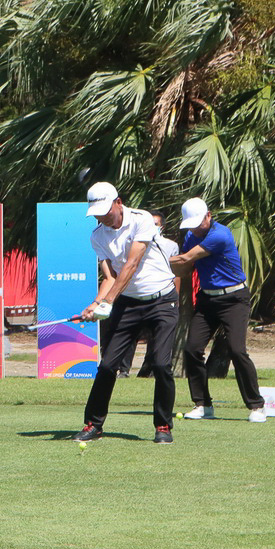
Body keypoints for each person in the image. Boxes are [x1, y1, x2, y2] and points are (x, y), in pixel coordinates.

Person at [73, 182, 180, 445]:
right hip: (128, 303)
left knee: (161, 365)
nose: (101, 217)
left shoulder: (142, 220)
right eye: (96, 213)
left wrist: (108, 301)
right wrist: (96, 303)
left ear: (118, 202)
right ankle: (93, 425)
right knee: (108, 365)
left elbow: (132, 264)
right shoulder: (97, 236)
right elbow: (110, 276)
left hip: (162, 300)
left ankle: (163, 426)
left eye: (105, 211)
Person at [169, 197, 267, 422]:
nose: (195, 228)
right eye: (191, 224)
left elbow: (186, 258)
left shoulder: (220, 235)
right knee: (192, 349)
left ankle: (257, 406)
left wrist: (152, 259)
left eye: (198, 223)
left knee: (236, 350)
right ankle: (203, 405)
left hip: (234, 298)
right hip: (207, 300)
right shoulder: (192, 235)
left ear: (208, 215)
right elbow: (184, 269)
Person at [129, 212, 180, 379]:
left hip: (163, 295)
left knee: (157, 337)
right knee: (130, 334)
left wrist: (176, 295)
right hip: (137, 294)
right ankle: (123, 370)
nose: (153, 227)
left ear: (162, 227)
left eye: (156, 224)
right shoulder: (133, 241)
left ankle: (149, 369)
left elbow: (176, 272)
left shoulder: (170, 245)